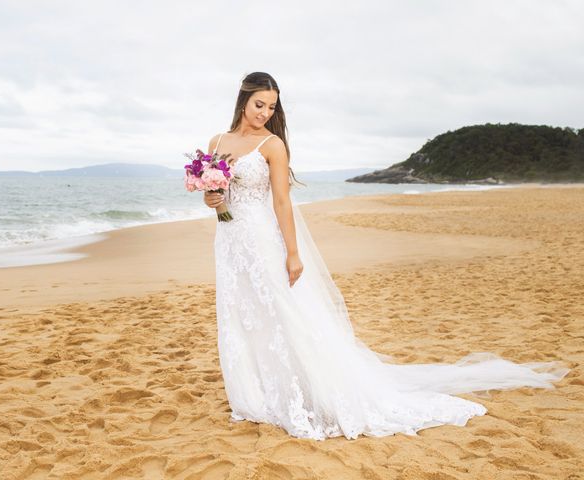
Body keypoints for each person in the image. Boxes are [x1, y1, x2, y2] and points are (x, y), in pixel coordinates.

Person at [202, 71, 570, 440]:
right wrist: (212, 199)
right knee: (241, 312)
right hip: (231, 239)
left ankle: (304, 389)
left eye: (272, 106)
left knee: (282, 312)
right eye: (259, 105)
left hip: (264, 240)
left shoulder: (272, 145)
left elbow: (281, 201)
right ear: (243, 100)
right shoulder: (218, 141)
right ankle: (256, 392)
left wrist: (294, 253)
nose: (265, 112)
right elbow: (218, 199)